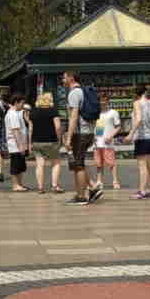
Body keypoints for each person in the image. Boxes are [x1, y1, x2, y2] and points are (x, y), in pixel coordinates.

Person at [62, 72, 102, 206]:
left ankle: (81, 197)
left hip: (79, 134)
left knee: (78, 165)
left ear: (71, 78)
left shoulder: (74, 93)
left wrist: (68, 137)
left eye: (64, 77)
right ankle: (92, 188)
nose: (62, 80)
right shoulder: (85, 92)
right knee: (79, 163)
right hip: (88, 133)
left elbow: (73, 117)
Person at [29, 92, 62, 194]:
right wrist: (59, 139)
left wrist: (30, 142)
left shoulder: (33, 112)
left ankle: (40, 187)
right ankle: (55, 186)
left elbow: (30, 129)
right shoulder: (53, 111)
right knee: (56, 162)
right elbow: (58, 127)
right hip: (51, 141)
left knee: (39, 164)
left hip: (36, 141)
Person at [91, 94, 122, 190]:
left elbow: (118, 126)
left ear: (108, 101)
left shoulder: (113, 113)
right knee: (98, 163)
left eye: (104, 101)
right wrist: (94, 137)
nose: (102, 103)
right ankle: (99, 181)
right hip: (98, 142)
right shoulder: (97, 113)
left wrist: (111, 136)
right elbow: (96, 127)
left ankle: (115, 181)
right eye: (100, 101)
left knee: (111, 163)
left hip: (108, 143)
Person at [4, 94, 30, 191]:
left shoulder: (13, 113)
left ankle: (19, 184)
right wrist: (21, 146)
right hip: (15, 145)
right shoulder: (13, 114)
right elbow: (15, 131)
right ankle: (15, 185)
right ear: (16, 102)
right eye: (22, 103)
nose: (23, 105)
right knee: (15, 166)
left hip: (17, 144)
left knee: (20, 166)